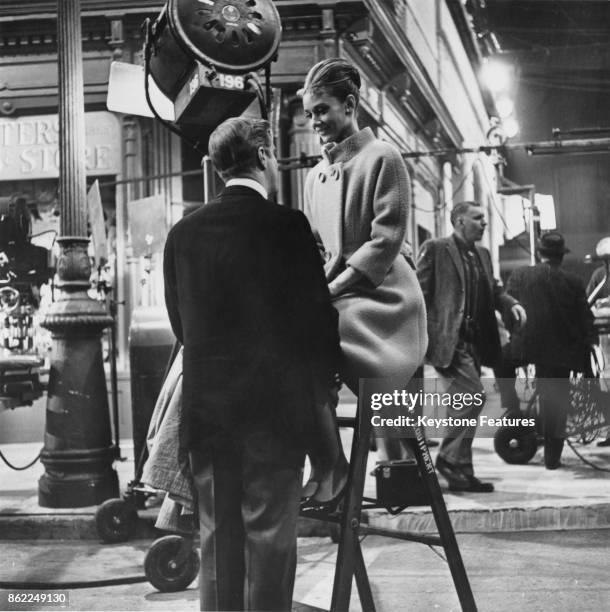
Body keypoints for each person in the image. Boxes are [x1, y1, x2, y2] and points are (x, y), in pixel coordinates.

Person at [163, 117, 342, 611]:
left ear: (217, 167)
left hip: (208, 414)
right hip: (274, 412)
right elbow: (317, 322)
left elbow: (182, 326)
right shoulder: (287, 226)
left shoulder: (183, 234)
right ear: (264, 156)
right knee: (269, 537)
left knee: (217, 537)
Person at [300, 58, 428, 460]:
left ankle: (341, 473)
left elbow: (385, 241)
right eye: (308, 114)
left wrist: (329, 289)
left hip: (383, 299)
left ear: (350, 105)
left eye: (322, 109)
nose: (315, 121)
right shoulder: (314, 177)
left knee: (308, 340)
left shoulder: (383, 157)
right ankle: (330, 469)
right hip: (340, 299)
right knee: (296, 354)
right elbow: (318, 248)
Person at [416, 201, 526, 491]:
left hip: (476, 341)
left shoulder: (483, 254)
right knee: (473, 396)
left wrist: (510, 304)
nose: (484, 223)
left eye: (484, 218)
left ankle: (462, 471)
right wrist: (426, 334)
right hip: (450, 341)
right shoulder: (436, 248)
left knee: (463, 404)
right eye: (478, 218)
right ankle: (450, 459)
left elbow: (495, 289)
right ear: (459, 221)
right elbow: (420, 292)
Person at [500, 231, 597, 468]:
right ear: (561, 257)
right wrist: (589, 349)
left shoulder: (520, 275)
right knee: (556, 402)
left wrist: (516, 335)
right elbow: (586, 320)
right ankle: (552, 459)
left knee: (499, 360)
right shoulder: (573, 281)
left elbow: (508, 312)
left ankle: (512, 410)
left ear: (540, 253)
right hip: (561, 353)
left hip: (525, 348)